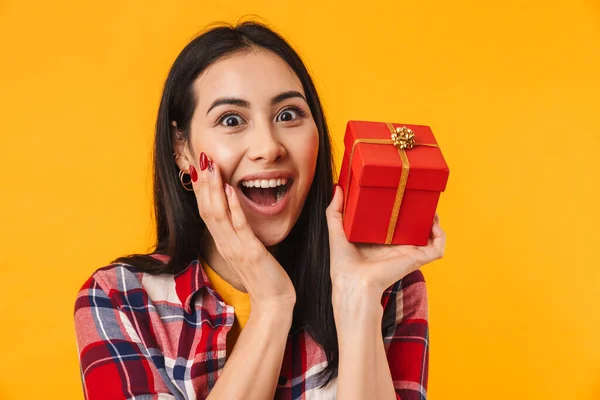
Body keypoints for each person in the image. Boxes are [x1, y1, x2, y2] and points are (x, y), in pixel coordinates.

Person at [73, 21, 445, 400]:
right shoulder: (120, 299)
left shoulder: (385, 285)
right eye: (231, 120)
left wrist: (357, 297)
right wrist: (271, 304)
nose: (268, 147)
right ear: (181, 149)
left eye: (288, 115)